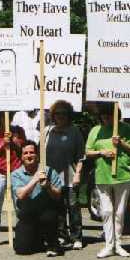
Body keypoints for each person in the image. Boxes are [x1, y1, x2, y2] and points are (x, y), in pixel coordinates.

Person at [86, 103, 130, 258]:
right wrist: (101, 153)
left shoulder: (126, 129)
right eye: (104, 116)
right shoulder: (95, 131)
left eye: (109, 116)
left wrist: (121, 143)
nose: (106, 119)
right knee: (107, 211)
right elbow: (88, 152)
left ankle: (118, 244)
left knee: (120, 211)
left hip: (123, 175)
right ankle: (109, 245)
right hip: (103, 176)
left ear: (116, 116)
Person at [42, 100, 85, 250]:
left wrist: (78, 174)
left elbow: (81, 156)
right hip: (52, 177)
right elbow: (41, 155)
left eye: (64, 113)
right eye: (57, 113)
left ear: (69, 115)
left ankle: (76, 237)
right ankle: (61, 236)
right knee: (58, 208)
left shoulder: (75, 131)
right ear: (53, 115)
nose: (60, 116)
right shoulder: (47, 131)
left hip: (70, 175)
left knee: (73, 207)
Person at [11, 140, 63, 256]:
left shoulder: (49, 171)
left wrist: (48, 186)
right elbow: (21, 195)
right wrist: (35, 180)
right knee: (22, 250)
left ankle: (52, 243)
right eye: (25, 153)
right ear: (21, 157)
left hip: (46, 215)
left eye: (32, 152)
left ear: (37, 155)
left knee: (50, 216)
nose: (29, 155)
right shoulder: (16, 174)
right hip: (27, 216)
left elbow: (58, 195)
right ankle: (37, 240)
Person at [0, 116, 25, 247]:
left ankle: (21, 232)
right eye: (4, 118)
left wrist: (13, 141)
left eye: (9, 117)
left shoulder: (18, 131)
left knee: (19, 203)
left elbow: (23, 150)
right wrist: (3, 144)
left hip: (15, 171)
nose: (6, 120)